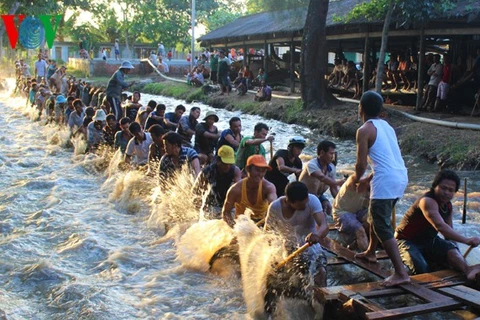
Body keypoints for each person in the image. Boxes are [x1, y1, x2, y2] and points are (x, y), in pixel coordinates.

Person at [345, 91, 409, 287]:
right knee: (375, 216)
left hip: (386, 180)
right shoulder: (387, 127)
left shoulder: (364, 130)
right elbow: (386, 159)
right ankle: (371, 252)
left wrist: (357, 179)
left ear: (360, 108)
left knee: (381, 225)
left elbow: (361, 164)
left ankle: (400, 272)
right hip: (400, 176)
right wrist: (369, 178)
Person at [395, 170, 480, 280]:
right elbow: (440, 226)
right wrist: (466, 240)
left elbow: (449, 233)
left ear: (455, 192)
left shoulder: (447, 206)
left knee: (452, 251)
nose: (446, 193)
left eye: (451, 190)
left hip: (429, 240)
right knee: (421, 268)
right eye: (443, 188)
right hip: (406, 241)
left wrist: (456, 254)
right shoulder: (427, 201)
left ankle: (468, 271)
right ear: (435, 186)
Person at [264, 181, 328, 286]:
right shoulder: (275, 207)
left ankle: (323, 297)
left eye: (306, 202)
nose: (305, 205)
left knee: (322, 271)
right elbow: (267, 234)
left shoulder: (313, 200)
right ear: (289, 201)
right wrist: (272, 257)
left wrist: (317, 235)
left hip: (311, 246)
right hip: (289, 249)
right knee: (299, 278)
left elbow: (324, 226)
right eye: (301, 205)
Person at [222, 155, 277, 227]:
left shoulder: (268, 187)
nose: (260, 174)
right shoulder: (235, 189)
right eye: (257, 170)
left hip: (261, 224)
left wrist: (267, 228)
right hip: (242, 225)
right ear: (247, 169)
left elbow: (275, 209)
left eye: (263, 171)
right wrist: (234, 228)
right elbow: (226, 212)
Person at [193, 145, 242, 219]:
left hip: (228, 205)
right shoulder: (207, 172)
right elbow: (195, 191)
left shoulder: (235, 171)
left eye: (230, 163)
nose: (228, 166)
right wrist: (198, 208)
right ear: (218, 161)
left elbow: (239, 191)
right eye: (225, 163)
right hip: (211, 205)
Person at [299, 140, 344, 216]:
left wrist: (341, 203)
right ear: (322, 153)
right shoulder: (311, 165)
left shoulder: (331, 167)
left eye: (333, 154)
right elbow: (322, 178)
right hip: (303, 196)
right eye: (331, 153)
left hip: (318, 195)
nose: (332, 157)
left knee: (329, 207)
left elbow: (333, 187)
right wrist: (342, 182)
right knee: (319, 212)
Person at [332, 181, 370, 251]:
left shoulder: (376, 189)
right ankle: (367, 255)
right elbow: (355, 178)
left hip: (358, 211)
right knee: (360, 230)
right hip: (342, 212)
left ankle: (356, 243)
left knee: (374, 222)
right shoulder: (353, 182)